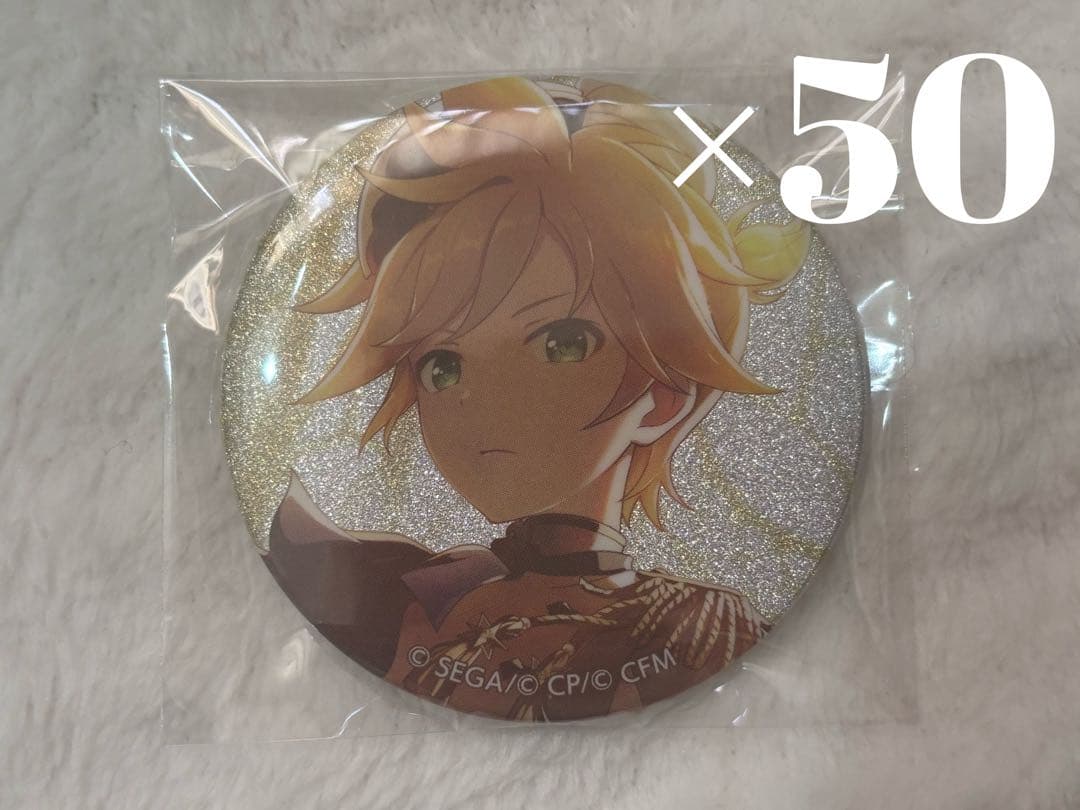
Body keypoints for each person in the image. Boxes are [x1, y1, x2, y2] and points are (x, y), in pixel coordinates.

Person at [264, 76, 810, 721]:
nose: (483, 401)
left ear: (663, 398)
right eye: (442, 366)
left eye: (563, 344)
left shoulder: (698, 625)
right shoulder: (414, 600)